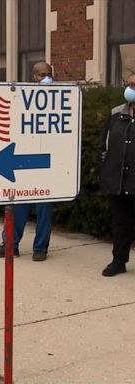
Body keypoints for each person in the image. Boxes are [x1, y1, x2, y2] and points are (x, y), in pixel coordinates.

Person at [0, 62, 54, 261]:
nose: (46, 78)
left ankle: (40, 249)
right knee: (16, 204)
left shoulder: (62, 98)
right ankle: (10, 245)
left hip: (46, 163)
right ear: (34, 76)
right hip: (24, 161)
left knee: (44, 208)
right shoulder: (21, 97)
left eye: (49, 74)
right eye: (42, 75)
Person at [98, 73, 135, 277]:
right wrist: (104, 171)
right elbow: (102, 146)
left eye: (134, 85)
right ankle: (118, 261)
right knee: (121, 224)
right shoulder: (116, 114)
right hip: (118, 181)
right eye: (129, 84)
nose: (130, 89)